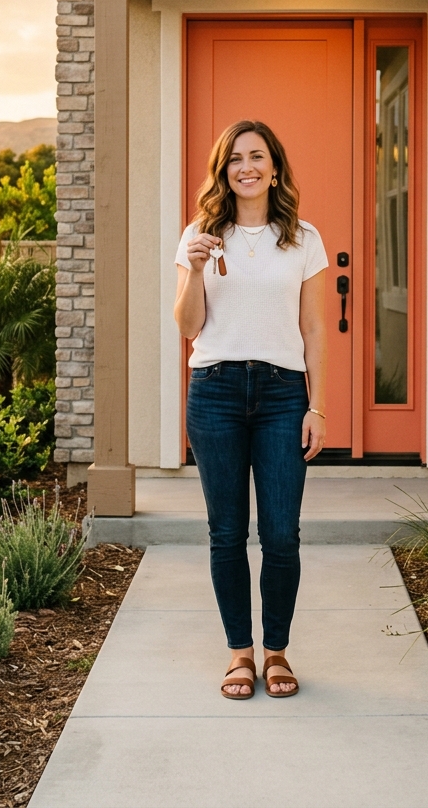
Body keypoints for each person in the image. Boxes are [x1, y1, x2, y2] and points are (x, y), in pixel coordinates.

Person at [174, 119, 328, 700]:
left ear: (275, 166)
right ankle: (241, 653)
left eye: (257, 156)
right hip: (213, 390)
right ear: (224, 169)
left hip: (284, 395)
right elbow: (188, 327)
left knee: (282, 534)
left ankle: (277, 651)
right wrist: (192, 267)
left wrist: (319, 406)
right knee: (227, 533)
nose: (247, 167)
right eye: (235, 158)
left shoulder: (303, 239)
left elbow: (315, 328)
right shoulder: (200, 236)